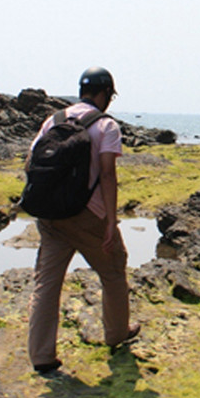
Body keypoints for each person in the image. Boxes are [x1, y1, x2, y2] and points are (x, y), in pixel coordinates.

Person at [27, 66, 139, 374]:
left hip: (51, 217)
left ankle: (41, 356)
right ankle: (117, 334)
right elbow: (107, 174)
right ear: (105, 93)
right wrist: (111, 222)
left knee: (46, 283)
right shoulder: (106, 125)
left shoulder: (54, 120)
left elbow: (31, 162)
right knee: (113, 271)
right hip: (88, 216)